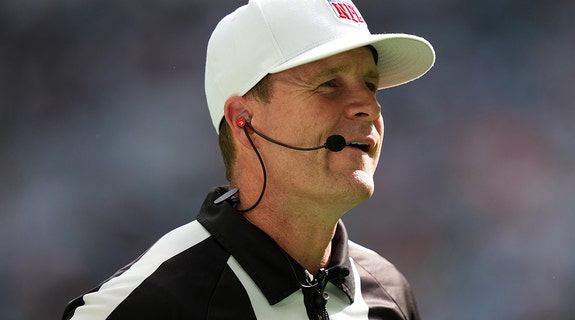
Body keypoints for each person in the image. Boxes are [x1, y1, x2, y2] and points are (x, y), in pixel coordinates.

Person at [62, 0, 434, 318]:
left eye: (370, 84)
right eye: (329, 83)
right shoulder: (144, 306)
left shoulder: (389, 294)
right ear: (243, 121)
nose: (368, 106)